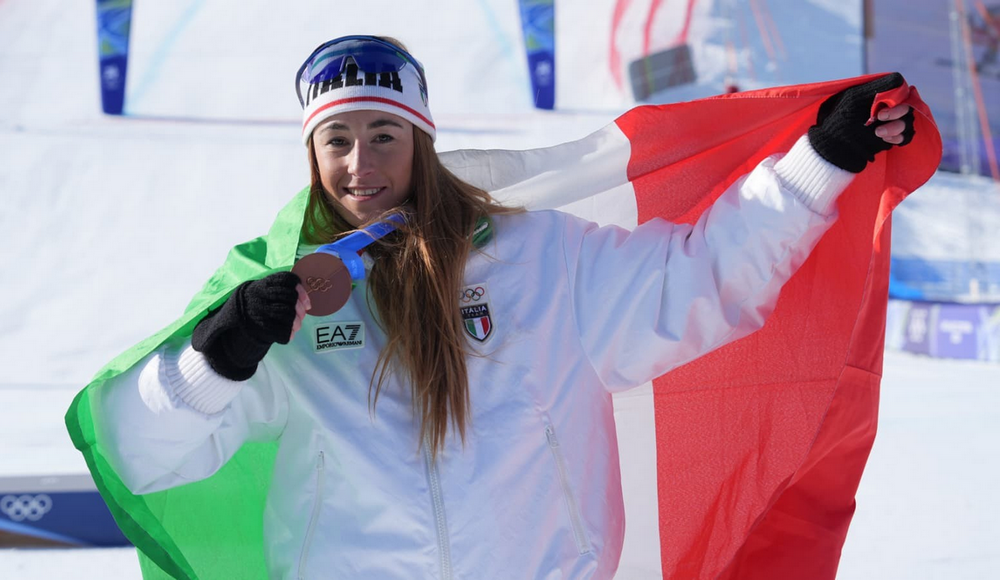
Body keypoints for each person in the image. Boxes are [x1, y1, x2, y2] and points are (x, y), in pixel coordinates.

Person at [92, 36, 915, 579]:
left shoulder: (542, 259)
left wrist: (822, 158)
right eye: (336, 140)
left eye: (384, 133)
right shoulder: (279, 297)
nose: (360, 162)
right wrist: (215, 359)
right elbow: (142, 458)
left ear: (421, 139)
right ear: (312, 156)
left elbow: (703, 281)